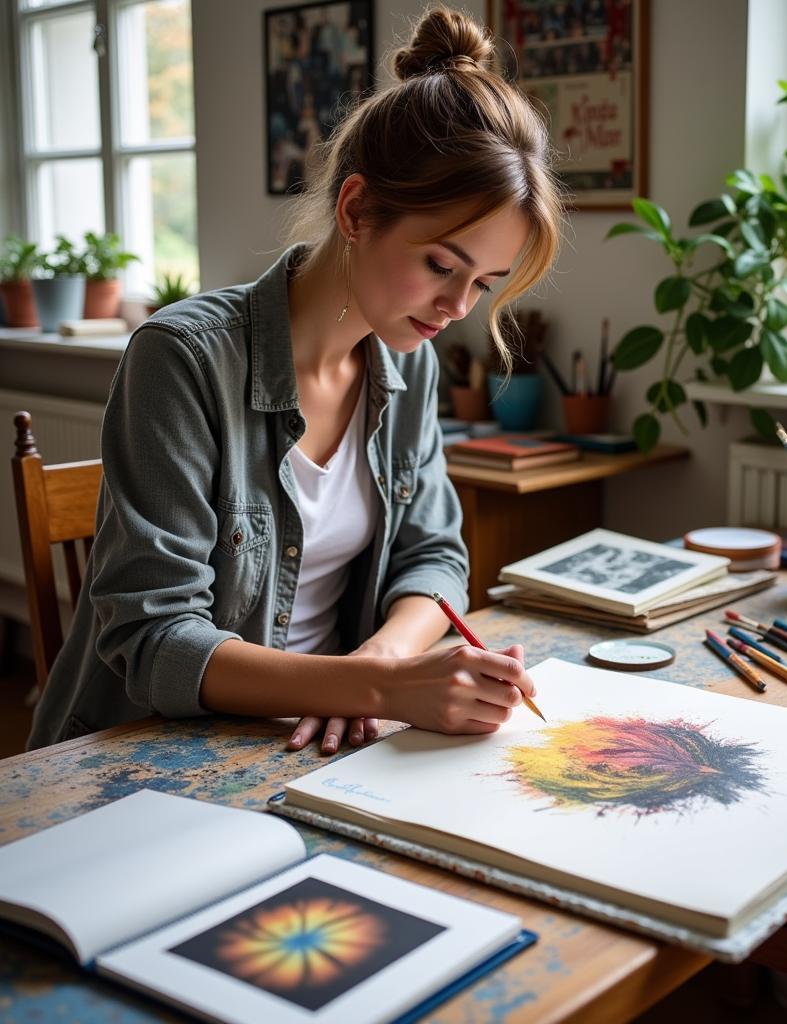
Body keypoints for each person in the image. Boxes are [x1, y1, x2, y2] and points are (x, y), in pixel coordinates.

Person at [28, 5, 565, 752]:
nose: (457, 306)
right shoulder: (181, 359)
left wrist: (381, 660)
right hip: (146, 756)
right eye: (441, 264)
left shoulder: (408, 360)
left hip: (319, 739)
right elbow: (155, 639)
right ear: (355, 210)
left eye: (484, 283)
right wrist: (376, 688)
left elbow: (434, 555)